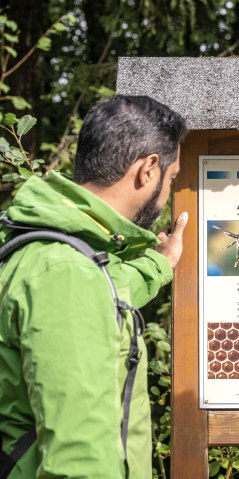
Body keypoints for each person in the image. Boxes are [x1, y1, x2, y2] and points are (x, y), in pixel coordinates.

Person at [0, 95, 188, 478]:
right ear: (148, 169)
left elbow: (106, 294)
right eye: (172, 178)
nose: (168, 192)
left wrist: (160, 262)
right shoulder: (64, 273)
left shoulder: (58, 252)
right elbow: (79, 456)